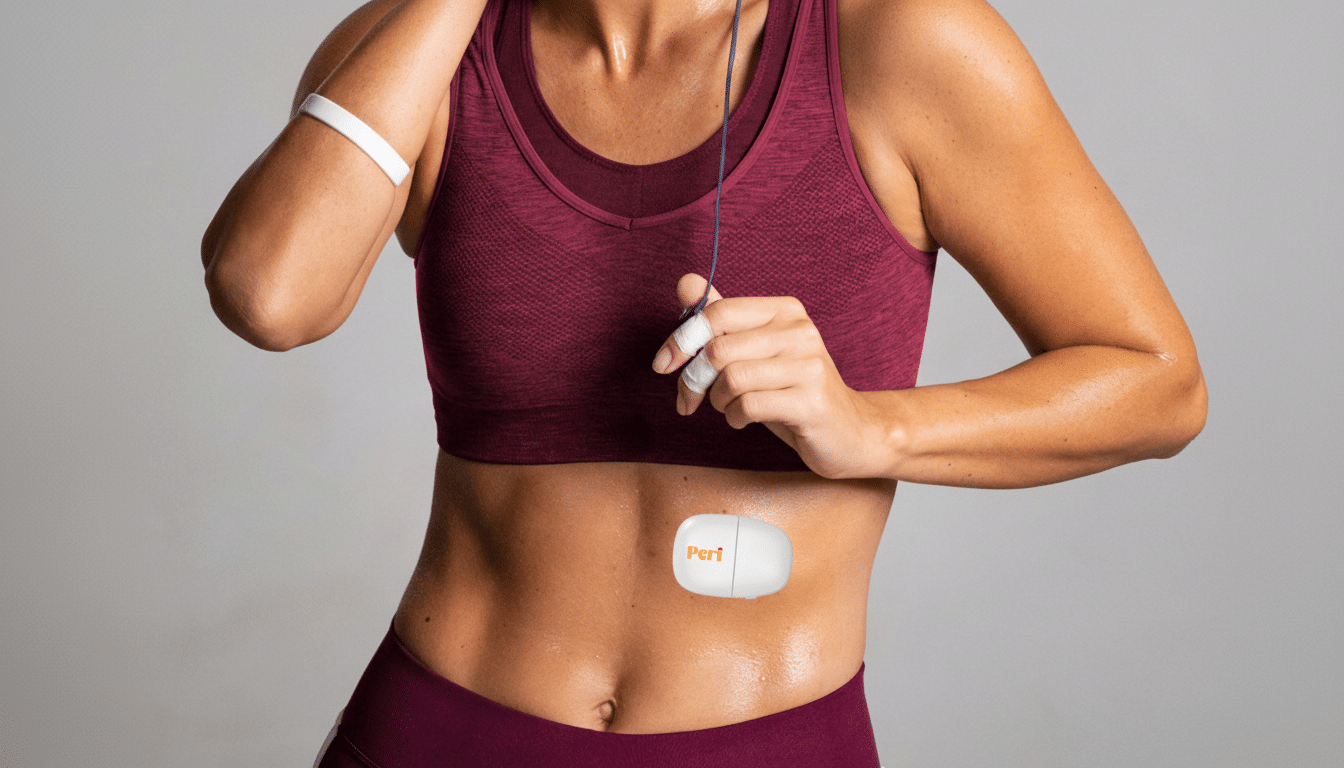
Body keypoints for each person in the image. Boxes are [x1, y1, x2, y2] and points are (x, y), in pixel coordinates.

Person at [201, 0, 1207, 764]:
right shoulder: (421, 47)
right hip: (445, 725)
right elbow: (269, 296)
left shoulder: (899, 43)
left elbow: (1157, 383)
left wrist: (871, 431)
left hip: (763, 738)